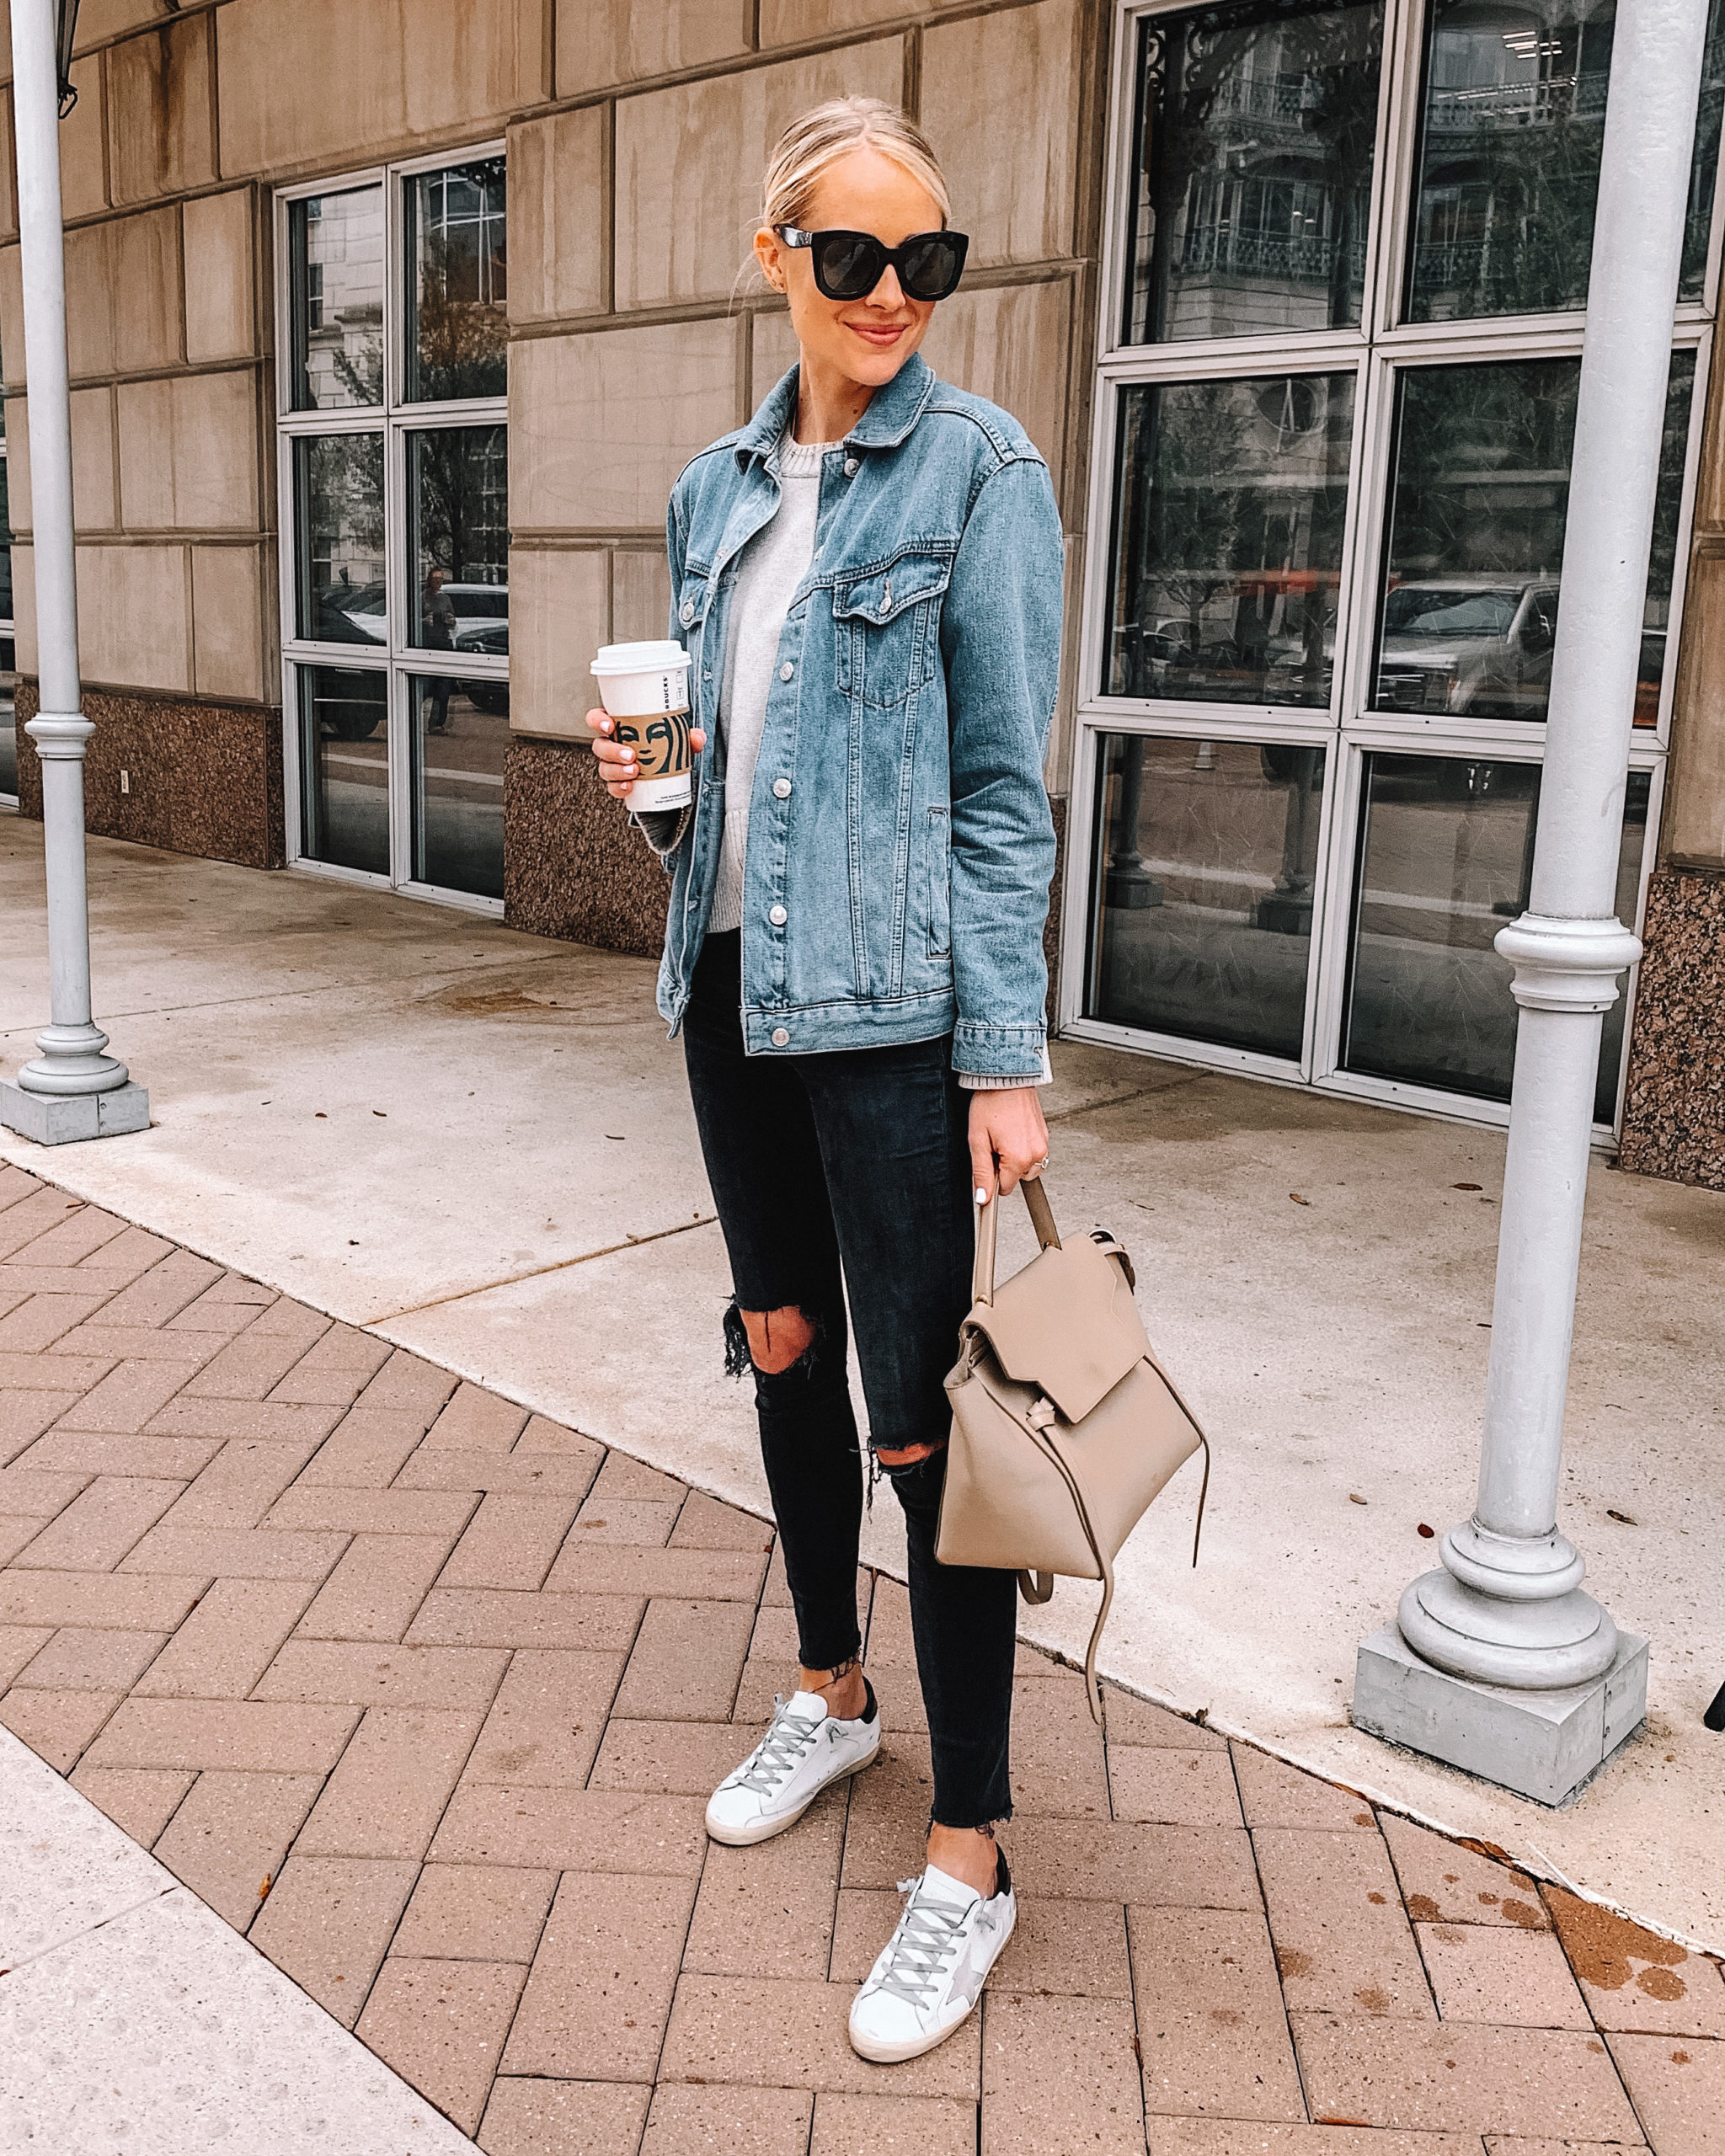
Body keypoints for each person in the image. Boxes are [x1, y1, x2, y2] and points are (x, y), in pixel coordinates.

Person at [587, 96, 1061, 2064]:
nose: (891, 295)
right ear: (775, 257)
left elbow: (999, 792)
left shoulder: (979, 471)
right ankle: (831, 1682)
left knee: (921, 1419)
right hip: (724, 988)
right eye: (852, 256)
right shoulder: (713, 491)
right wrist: (649, 806)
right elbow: (719, 761)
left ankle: (968, 1846)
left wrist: (1001, 1054)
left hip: (886, 1017)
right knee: (778, 1335)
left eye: (925, 261)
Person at [421, 568, 456, 734]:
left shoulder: (445, 599)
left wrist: (450, 620)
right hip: (427, 644)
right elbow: (412, 618)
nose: (438, 582)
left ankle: (436, 723)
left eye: (441, 579)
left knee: (443, 688)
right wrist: (424, 621)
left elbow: (452, 619)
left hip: (443, 643)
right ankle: (409, 719)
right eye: (435, 579)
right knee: (425, 687)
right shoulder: (422, 597)